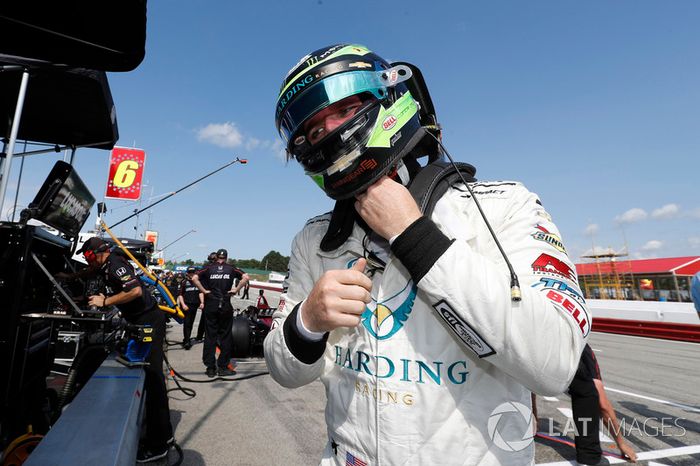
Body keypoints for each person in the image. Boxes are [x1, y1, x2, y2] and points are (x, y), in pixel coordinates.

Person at [264, 44, 589, 465]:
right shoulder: (315, 240)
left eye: (343, 110)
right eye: (311, 130)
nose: (327, 133)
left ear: (392, 99)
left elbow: (555, 362)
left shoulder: (504, 206)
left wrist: (413, 235)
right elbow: (286, 372)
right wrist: (306, 323)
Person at [77, 237, 174, 463]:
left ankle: (158, 445)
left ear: (96, 253)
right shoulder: (104, 267)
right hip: (141, 322)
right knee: (151, 378)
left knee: (153, 378)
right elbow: (87, 275)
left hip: (149, 322)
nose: (87, 261)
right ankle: (165, 435)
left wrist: (106, 302)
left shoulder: (115, 264)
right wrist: (68, 277)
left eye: (87, 256)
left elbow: (136, 291)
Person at [566, 344, 637, 464]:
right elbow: (603, 405)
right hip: (568, 343)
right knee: (588, 392)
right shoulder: (581, 348)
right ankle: (589, 457)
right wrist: (621, 443)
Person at [192, 248, 249, 377]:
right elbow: (246, 277)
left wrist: (204, 290)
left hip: (211, 303)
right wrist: (236, 289)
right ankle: (223, 367)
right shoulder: (231, 268)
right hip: (225, 303)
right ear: (226, 257)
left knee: (210, 336)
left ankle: (210, 368)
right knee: (225, 336)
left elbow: (194, 278)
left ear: (216, 257)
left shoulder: (208, 267)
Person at [177, 266, 205, 350]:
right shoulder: (184, 282)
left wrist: (202, 302)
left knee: (191, 323)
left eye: (193, 272)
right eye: (190, 272)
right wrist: (183, 305)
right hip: (186, 305)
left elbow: (201, 292)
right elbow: (180, 295)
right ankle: (187, 341)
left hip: (195, 305)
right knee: (187, 323)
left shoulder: (198, 282)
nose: (192, 274)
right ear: (187, 273)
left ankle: (186, 338)